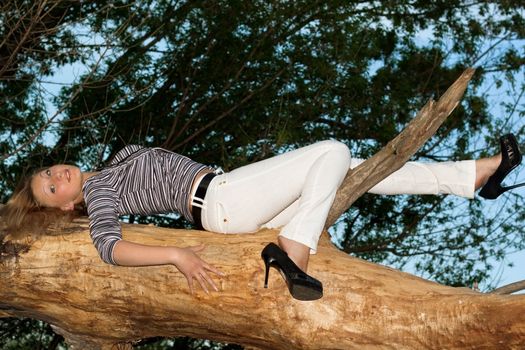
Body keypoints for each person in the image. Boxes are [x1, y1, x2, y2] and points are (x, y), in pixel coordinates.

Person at [4, 134, 524, 301]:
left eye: (51, 170)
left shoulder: (113, 162)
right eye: (50, 188)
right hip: (220, 199)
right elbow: (110, 249)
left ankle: (474, 176)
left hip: (231, 195)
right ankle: (293, 250)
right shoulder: (99, 199)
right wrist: (176, 255)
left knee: (356, 170)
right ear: (66, 206)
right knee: (333, 149)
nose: (57, 176)